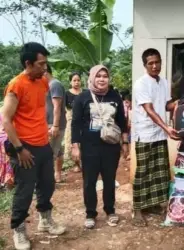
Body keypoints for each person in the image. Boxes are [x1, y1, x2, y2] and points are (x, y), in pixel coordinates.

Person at [2, 42, 65, 250]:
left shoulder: (43, 82)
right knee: (25, 190)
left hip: (43, 143)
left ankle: (45, 220)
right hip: (24, 147)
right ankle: (18, 230)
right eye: (41, 64)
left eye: (46, 64)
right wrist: (19, 149)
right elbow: (6, 119)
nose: (45, 68)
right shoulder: (16, 85)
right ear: (28, 63)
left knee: (47, 184)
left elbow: (39, 108)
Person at [71, 65, 129, 229]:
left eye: (105, 76)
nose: (102, 79)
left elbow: (122, 122)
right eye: (98, 76)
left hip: (111, 147)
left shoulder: (115, 96)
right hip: (89, 147)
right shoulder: (82, 98)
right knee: (89, 182)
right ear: (92, 78)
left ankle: (110, 211)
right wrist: (75, 146)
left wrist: (125, 143)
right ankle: (90, 213)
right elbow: (75, 124)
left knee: (109, 180)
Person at [131, 48, 178, 227]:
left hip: (159, 133)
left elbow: (166, 105)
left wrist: (181, 104)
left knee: (159, 171)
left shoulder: (164, 82)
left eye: (157, 62)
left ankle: (151, 205)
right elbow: (149, 110)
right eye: (150, 63)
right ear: (145, 65)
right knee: (143, 172)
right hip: (145, 132)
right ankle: (137, 210)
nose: (155, 66)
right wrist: (167, 127)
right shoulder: (141, 84)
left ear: (161, 62)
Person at [45, 64, 66, 183]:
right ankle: (54, 176)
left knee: (50, 153)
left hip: (53, 125)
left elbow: (57, 106)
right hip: (49, 124)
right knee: (56, 150)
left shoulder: (55, 84)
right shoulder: (48, 85)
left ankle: (47, 180)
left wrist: (55, 125)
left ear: (45, 71)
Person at [64, 72, 83, 173]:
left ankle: (85, 163)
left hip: (84, 120)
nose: (76, 82)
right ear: (70, 82)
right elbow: (64, 108)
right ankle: (76, 164)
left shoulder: (85, 93)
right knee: (72, 141)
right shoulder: (67, 94)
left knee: (84, 141)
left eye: (78, 80)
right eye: (74, 80)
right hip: (71, 120)